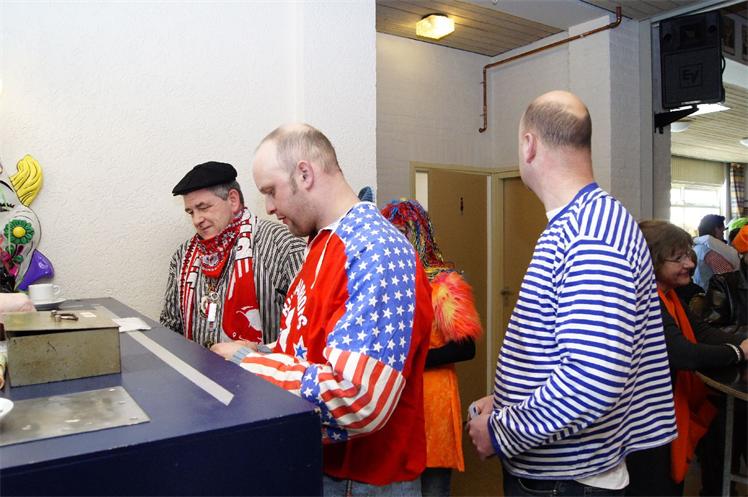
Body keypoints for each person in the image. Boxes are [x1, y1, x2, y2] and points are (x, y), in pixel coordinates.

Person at [466, 91, 677, 497]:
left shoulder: (591, 234)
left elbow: (591, 379)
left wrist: (501, 431)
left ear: (529, 145)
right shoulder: (584, 222)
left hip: (567, 481)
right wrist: (508, 401)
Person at [211, 124, 433, 496]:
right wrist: (259, 352)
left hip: (361, 482)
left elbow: (358, 396)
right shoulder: (323, 244)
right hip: (325, 470)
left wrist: (246, 364)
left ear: (304, 174)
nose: (269, 207)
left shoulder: (375, 250)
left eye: (271, 191)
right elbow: (310, 348)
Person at [627, 220, 748, 497]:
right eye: (679, 258)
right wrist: (739, 352)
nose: (691, 264)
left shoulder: (667, 295)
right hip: (647, 421)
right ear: (653, 261)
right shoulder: (647, 300)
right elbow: (684, 354)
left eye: (688, 255)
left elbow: (702, 332)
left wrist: (742, 343)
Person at [381, 199, 482, 497]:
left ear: (419, 235)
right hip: (397, 402)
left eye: (403, 233)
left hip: (433, 403)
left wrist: (410, 360)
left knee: (433, 486)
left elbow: (465, 349)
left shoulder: (444, 285)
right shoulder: (388, 282)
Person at [160, 161, 305, 349]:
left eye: (203, 207)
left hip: (261, 367)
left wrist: (258, 353)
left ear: (233, 200)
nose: (196, 220)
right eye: (191, 212)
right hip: (195, 367)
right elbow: (170, 328)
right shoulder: (183, 256)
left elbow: (306, 331)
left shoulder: (284, 245)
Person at [693, 214, 740, 291]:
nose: (723, 234)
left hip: (701, 291)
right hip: (712, 295)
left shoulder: (697, 247)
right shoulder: (711, 253)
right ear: (716, 229)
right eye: (722, 231)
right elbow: (729, 278)